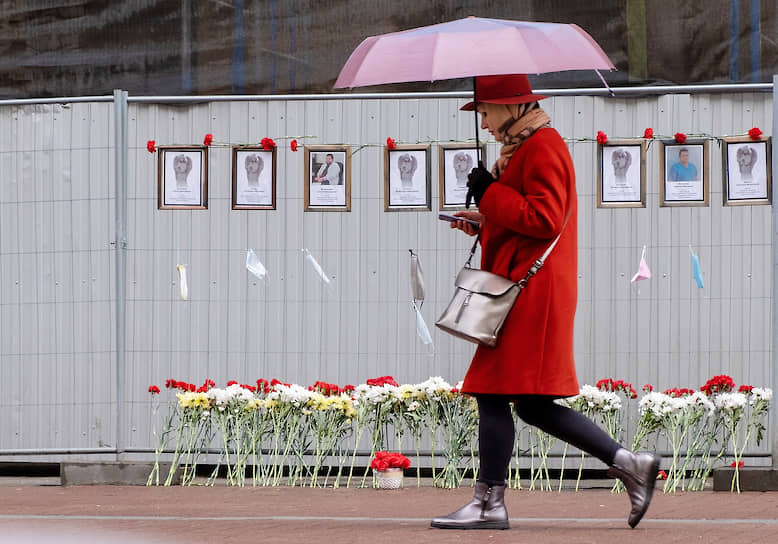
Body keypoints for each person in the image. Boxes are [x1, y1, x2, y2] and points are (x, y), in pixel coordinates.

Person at [432, 74, 660, 531]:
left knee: (491, 389)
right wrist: (482, 219)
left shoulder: (542, 145)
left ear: (512, 106)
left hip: (530, 292)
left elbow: (545, 217)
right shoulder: (523, 147)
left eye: (485, 111)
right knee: (530, 403)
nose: (483, 122)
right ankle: (630, 464)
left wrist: (489, 193)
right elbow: (527, 218)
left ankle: (489, 503)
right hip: (524, 288)